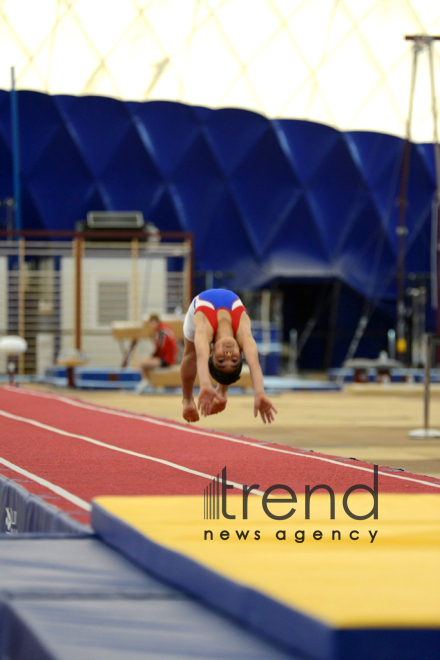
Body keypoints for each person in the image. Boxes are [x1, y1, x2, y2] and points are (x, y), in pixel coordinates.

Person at [180, 288, 277, 424]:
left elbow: (201, 356)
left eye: (221, 360)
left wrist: (205, 385)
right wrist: (260, 393)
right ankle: (221, 391)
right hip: (229, 309)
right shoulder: (244, 333)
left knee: (191, 354)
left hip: (197, 309)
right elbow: (254, 363)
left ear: (211, 351)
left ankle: (188, 400)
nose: (228, 354)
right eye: (234, 360)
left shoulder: (203, 329)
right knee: (225, 366)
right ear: (241, 351)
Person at [136, 314, 179, 393]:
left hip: (167, 359)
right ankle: (151, 384)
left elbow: (161, 348)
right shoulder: (162, 329)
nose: (150, 326)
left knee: (143, 363)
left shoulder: (162, 331)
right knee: (146, 362)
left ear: (155, 322)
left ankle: (145, 382)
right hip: (167, 357)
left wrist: (152, 357)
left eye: (151, 323)